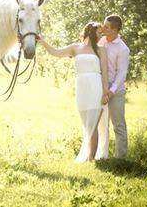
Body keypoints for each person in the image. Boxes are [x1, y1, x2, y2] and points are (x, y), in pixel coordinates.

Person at [37, 22, 110, 162]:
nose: (102, 35)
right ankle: (88, 156)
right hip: (82, 88)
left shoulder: (101, 49)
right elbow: (56, 52)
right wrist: (43, 42)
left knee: (93, 124)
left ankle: (91, 159)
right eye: (99, 33)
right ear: (91, 32)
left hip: (96, 86)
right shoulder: (75, 48)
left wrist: (105, 93)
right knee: (87, 125)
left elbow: (105, 72)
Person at [99, 15, 130, 159]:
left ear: (115, 30)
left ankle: (120, 159)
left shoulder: (123, 49)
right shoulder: (101, 41)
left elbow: (121, 73)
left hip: (115, 92)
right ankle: (100, 155)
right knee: (100, 124)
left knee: (118, 125)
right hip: (100, 89)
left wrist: (110, 91)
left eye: (106, 27)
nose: (102, 28)